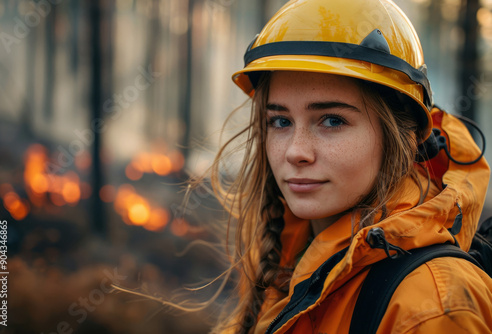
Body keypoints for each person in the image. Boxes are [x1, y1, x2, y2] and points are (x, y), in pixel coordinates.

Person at [201, 0, 492, 332]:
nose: (295, 152)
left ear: (405, 137)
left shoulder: (431, 306)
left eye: (332, 120)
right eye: (280, 121)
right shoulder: (284, 259)